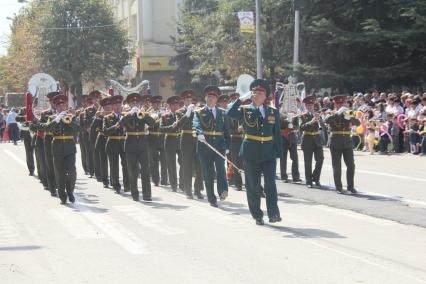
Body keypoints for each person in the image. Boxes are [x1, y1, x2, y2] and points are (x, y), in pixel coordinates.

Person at [226, 79, 282, 225]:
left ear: (265, 96)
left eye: (260, 92)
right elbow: (229, 112)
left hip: (268, 153)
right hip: (251, 153)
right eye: (255, 92)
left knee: (270, 184)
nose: (257, 94)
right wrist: (241, 99)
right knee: (253, 185)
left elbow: (277, 134)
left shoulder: (272, 111)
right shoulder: (245, 110)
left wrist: (279, 153)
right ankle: (257, 214)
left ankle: (273, 213)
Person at [193, 86, 230, 208]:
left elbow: (226, 131)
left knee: (221, 169)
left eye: (213, 97)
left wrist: (227, 145)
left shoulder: (222, 113)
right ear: (205, 98)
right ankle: (211, 198)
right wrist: (199, 133)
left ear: (216, 99)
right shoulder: (199, 112)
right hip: (205, 145)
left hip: (219, 145)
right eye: (209, 96)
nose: (211, 99)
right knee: (208, 173)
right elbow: (196, 123)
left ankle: (222, 190)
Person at [120, 93, 155, 201]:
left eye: (136, 102)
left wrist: (144, 115)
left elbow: (152, 123)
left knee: (145, 170)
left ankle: (147, 194)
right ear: (129, 104)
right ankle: (135, 194)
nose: (134, 103)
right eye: (132, 102)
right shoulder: (125, 114)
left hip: (142, 144)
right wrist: (130, 113)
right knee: (133, 171)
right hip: (130, 144)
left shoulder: (142, 113)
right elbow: (121, 124)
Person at [43, 94, 78, 204]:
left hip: (70, 148)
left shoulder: (72, 116)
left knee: (71, 170)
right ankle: (62, 195)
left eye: (63, 105)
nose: (61, 108)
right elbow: (47, 129)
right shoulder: (52, 118)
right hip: (57, 147)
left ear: (66, 105)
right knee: (59, 172)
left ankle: (70, 191)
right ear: (55, 107)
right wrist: (57, 119)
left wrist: (70, 120)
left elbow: (79, 129)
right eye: (59, 106)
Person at [325, 95, 360, 194]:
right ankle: (338, 187)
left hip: (347, 142)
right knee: (337, 166)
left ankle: (350, 186)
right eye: (339, 103)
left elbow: (357, 123)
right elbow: (326, 120)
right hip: (336, 141)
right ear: (335, 104)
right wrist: (338, 113)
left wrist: (351, 116)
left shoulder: (348, 113)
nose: (341, 105)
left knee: (351, 165)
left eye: (342, 103)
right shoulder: (331, 112)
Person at [175, 90, 204, 199]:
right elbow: (179, 125)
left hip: (196, 139)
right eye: (186, 99)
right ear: (183, 101)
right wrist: (187, 114)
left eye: (190, 99)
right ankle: (188, 190)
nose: (188, 101)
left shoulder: (198, 110)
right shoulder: (179, 112)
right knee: (186, 165)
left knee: (199, 165)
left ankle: (197, 189)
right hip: (186, 139)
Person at [103, 95, 129, 194]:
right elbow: (106, 132)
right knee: (114, 166)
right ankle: (116, 184)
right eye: (116, 105)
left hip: (124, 142)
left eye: (120, 105)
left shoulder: (126, 117)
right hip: (112, 143)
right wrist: (117, 125)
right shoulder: (107, 118)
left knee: (126, 165)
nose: (118, 107)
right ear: (112, 107)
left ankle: (127, 185)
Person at [299, 96, 324, 188]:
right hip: (307, 139)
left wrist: (320, 120)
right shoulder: (303, 115)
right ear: (305, 106)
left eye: (312, 105)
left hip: (317, 139)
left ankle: (316, 178)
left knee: (320, 159)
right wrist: (311, 121)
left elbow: (323, 127)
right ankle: (308, 180)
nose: (310, 106)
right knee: (308, 161)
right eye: (308, 105)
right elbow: (301, 127)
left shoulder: (317, 114)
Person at [160, 96, 182, 192]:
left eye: (176, 104)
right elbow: (161, 129)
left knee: (183, 162)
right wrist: (171, 127)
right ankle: (173, 184)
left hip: (180, 140)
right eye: (173, 104)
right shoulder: (165, 116)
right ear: (169, 106)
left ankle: (182, 183)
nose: (175, 106)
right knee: (171, 164)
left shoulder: (182, 115)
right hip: (169, 140)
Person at [147, 96, 168, 186]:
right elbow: (147, 125)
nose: (157, 105)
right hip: (152, 138)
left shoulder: (164, 112)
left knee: (164, 160)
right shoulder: (148, 113)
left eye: (158, 103)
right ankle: (155, 179)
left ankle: (164, 179)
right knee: (154, 160)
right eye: (155, 103)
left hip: (162, 138)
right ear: (152, 104)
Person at [93, 96, 112, 188]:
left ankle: (113, 179)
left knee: (113, 161)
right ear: (103, 108)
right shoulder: (99, 116)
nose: (108, 110)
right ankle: (105, 180)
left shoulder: (113, 116)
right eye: (106, 108)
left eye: (110, 108)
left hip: (113, 140)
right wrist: (97, 117)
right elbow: (93, 128)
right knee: (103, 160)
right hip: (102, 139)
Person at [227, 92, 244, 191]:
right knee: (236, 163)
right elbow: (228, 129)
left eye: (237, 99)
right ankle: (238, 184)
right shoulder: (229, 113)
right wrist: (236, 130)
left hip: (244, 138)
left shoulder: (243, 111)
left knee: (246, 162)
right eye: (233, 99)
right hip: (234, 139)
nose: (235, 100)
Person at [279, 112, 301, 183]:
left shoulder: (294, 114)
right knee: (283, 158)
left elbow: (297, 126)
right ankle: (283, 176)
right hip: (283, 138)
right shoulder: (280, 114)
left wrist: (292, 126)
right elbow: (277, 126)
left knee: (295, 158)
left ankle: (296, 176)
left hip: (292, 138)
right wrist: (286, 121)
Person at [16, 108, 35, 175]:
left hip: (36, 134)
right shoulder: (23, 111)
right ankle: (31, 169)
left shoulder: (35, 111)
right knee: (29, 153)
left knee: (40, 154)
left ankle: (43, 172)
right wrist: (25, 117)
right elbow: (17, 118)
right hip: (27, 135)